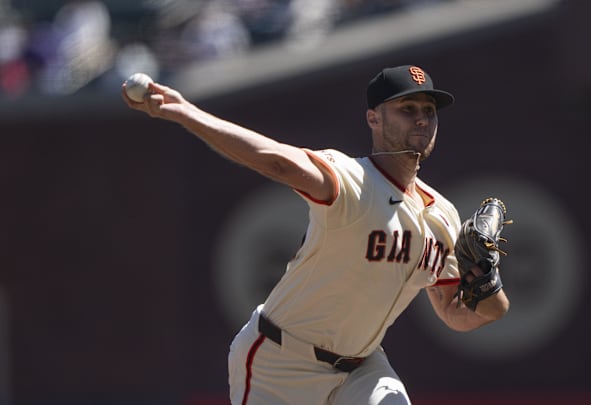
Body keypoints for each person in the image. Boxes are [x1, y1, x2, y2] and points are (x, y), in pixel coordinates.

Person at [122, 65, 510, 405]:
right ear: (374, 119)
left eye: (429, 111)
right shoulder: (351, 180)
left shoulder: (442, 215)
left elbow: (457, 314)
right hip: (280, 361)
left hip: (362, 368)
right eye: (406, 109)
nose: (422, 120)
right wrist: (188, 113)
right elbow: (274, 160)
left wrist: (490, 285)